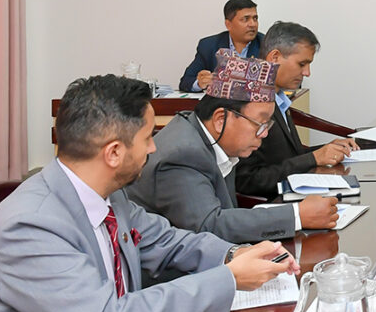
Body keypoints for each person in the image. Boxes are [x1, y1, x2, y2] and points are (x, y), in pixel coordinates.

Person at [0, 75, 298, 312]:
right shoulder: (30, 226)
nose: (154, 148)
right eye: (148, 138)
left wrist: (234, 254)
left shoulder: (110, 195)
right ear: (114, 152)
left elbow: (167, 241)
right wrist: (228, 278)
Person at [128, 50, 340, 243]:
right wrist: (296, 215)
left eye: (268, 124)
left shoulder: (211, 138)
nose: (264, 133)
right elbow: (209, 226)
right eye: (260, 123)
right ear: (221, 119)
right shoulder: (183, 154)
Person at [235, 21, 358, 199]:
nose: (307, 73)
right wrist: (314, 158)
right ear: (274, 57)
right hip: (275, 206)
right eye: (302, 64)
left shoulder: (278, 99)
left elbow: (289, 157)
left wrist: (327, 149)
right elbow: (248, 180)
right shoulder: (250, 105)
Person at [179, 0, 263, 91]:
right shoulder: (209, 46)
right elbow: (186, 81)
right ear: (228, 24)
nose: (253, 24)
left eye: (255, 18)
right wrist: (200, 83)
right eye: (245, 19)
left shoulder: (266, 44)